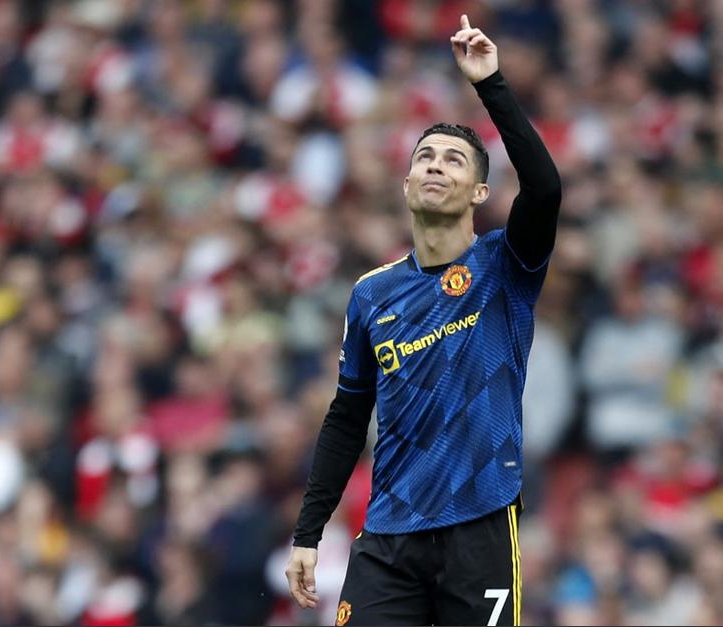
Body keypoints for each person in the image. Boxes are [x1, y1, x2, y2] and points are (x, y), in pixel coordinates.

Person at [284, 14, 561, 626]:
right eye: (425, 157)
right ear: (407, 181)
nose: (436, 165)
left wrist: (490, 85)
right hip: (389, 537)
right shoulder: (372, 294)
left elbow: (544, 188)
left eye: (455, 161)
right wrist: (310, 530)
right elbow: (347, 416)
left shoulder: (505, 264)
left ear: (479, 192)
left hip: (481, 523)